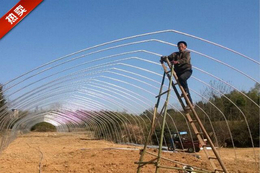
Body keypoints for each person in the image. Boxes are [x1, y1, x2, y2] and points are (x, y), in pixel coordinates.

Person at [161, 41, 194, 109]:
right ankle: (190, 104)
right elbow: (168, 57)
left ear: (185, 47)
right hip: (179, 72)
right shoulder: (175, 54)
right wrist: (164, 58)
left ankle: (186, 94)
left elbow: (186, 60)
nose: (180, 48)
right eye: (179, 46)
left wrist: (177, 62)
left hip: (187, 70)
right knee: (184, 88)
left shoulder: (187, 53)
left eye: (182, 46)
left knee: (182, 79)